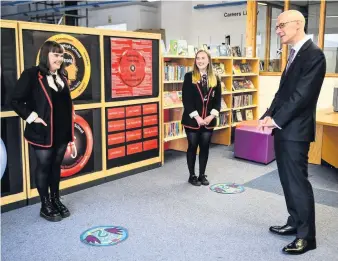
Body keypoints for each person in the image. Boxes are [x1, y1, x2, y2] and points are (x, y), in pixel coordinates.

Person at [258, 10, 326, 255]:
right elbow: (283, 93)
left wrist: (275, 120)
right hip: (284, 128)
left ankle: (307, 238)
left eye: (281, 25)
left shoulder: (314, 55)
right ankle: (295, 221)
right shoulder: (294, 54)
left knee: (297, 183)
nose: (277, 31)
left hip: (295, 131)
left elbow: (301, 97)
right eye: (277, 26)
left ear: (298, 24)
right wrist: (268, 114)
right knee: (287, 181)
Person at [11, 41, 76, 222]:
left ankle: (55, 200)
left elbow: (61, 101)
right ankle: (44, 204)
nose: (59, 58)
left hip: (62, 130)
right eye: (55, 54)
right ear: (45, 55)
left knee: (56, 166)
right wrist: (32, 117)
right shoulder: (32, 75)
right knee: (44, 166)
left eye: (62, 55)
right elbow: (15, 101)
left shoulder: (62, 76)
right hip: (42, 131)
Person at [181, 49, 221, 186]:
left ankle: (202, 175)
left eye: (203, 58)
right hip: (192, 120)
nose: (200, 61)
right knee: (192, 146)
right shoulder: (189, 76)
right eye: (198, 58)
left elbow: (218, 101)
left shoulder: (215, 78)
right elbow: (186, 100)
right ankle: (192, 175)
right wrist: (197, 117)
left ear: (208, 60)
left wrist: (211, 116)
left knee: (205, 147)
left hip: (209, 120)